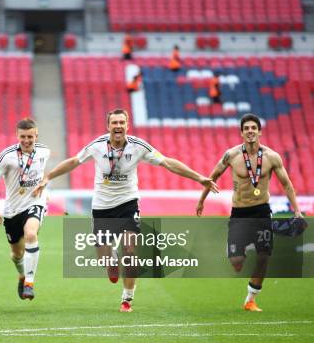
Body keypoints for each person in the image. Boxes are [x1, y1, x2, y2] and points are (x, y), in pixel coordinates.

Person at [34, 109, 218, 312]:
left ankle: (127, 299)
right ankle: (111, 259)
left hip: (128, 204)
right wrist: (48, 177)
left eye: (122, 122)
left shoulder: (139, 146)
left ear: (127, 125)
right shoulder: (97, 146)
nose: (118, 126)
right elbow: (74, 161)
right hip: (102, 207)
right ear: (108, 126)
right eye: (115, 123)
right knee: (104, 258)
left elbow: (167, 162)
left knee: (130, 251)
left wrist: (199, 177)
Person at [197, 113, 303, 312]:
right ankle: (240, 249)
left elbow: (287, 185)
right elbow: (212, 177)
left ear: (260, 132)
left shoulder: (272, 157)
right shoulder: (232, 155)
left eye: (254, 128)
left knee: (264, 255)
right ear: (241, 133)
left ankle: (250, 299)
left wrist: (297, 210)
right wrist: (201, 200)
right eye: (247, 128)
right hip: (239, 212)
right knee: (237, 263)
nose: (250, 131)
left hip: (262, 211)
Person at [0, 118, 50, 300]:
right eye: (23, 137)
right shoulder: (7, 156)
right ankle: (22, 275)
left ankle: (29, 282)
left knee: (31, 234)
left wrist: (44, 185)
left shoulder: (44, 151)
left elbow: (42, 172)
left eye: (30, 136)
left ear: (36, 135)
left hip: (35, 203)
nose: (27, 140)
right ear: (17, 136)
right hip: (12, 209)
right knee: (16, 254)